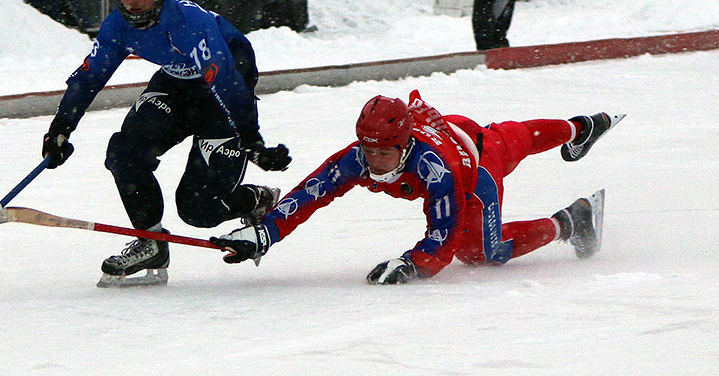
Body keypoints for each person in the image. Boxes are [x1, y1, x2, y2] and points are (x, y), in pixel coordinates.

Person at [40, 0, 292, 287]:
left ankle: (255, 200)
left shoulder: (190, 23)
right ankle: (151, 242)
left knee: (198, 210)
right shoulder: (119, 25)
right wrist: (61, 129)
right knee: (124, 153)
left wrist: (251, 139)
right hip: (176, 84)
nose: (132, 0)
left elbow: (228, 82)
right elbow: (89, 76)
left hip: (222, 94)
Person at [213, 90, 625, 284]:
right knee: (512, 136)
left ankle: (574, 220)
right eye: (367, 151)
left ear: (405, 144)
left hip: (475, 171)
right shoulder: (360, 154)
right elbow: (308, 195)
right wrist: (262, 233)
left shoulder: (435, 171)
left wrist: (413, 263)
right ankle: (579, 127)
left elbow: (442, 238)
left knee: (482, 252)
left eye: (384, 155)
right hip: (457, 130)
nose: (373, 163)